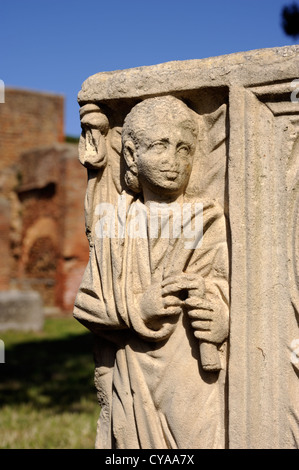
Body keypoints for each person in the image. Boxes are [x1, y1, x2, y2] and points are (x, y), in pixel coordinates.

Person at [73, 95, 229, 449]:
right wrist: (138, 309)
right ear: (130, 155)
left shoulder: (204, 218)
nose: (173, 161)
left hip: (190, 370)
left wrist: (218, 316)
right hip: (132, 368)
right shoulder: (116, 221)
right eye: (159, 146)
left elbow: (223, 285)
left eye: (184, 149)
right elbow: (86, 304)